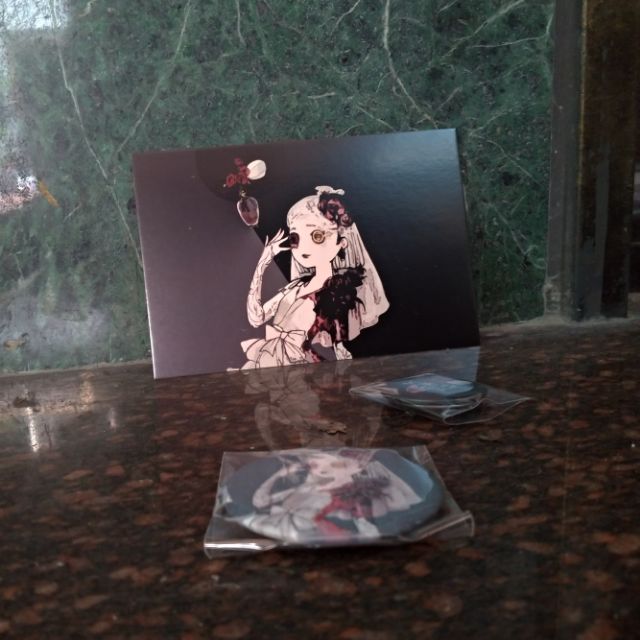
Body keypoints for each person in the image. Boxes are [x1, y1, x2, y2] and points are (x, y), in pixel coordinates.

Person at [241, 186, 389, 369]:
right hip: (271, 358)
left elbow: (337, 348)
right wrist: (263, 263)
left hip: (301, 370)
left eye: (317, 236)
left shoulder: (339, 291)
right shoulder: (297, 285)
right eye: (295, 237)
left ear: (342, 242)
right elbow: (256, 318)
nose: (304, 247)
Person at [233, 450, 423, 543]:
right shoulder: (304, 489)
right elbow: (260, 502)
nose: (320, 466)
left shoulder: (347, 496)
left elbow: (369, 529)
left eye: (335, 464)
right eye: (317, 464)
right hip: (272, 534)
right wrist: (278, 475)